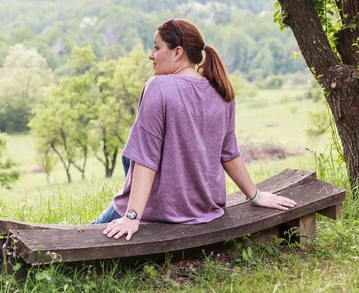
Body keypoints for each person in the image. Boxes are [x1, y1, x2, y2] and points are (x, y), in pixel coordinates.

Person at [92, 18, 296, 241]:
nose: (151, 55)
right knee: (129, 156)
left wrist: (132, 216)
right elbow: (229, 154)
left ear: (177, 52)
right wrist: (255, 196)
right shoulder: (221, 90)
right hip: (204, 209)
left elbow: (145, 158)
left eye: (157, 48)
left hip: (163, 211)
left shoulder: (158, 87)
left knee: (90, 231)